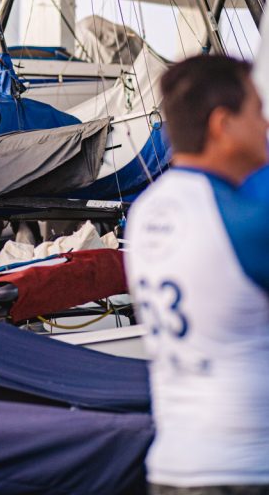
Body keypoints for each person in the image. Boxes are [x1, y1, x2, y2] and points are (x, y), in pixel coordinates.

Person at [125, 54, 269, 495]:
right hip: (245, 470)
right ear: (223, 125)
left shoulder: (146, 210)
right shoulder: (243, 218)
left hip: (174, 466)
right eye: (258, 111)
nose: (266, 125)